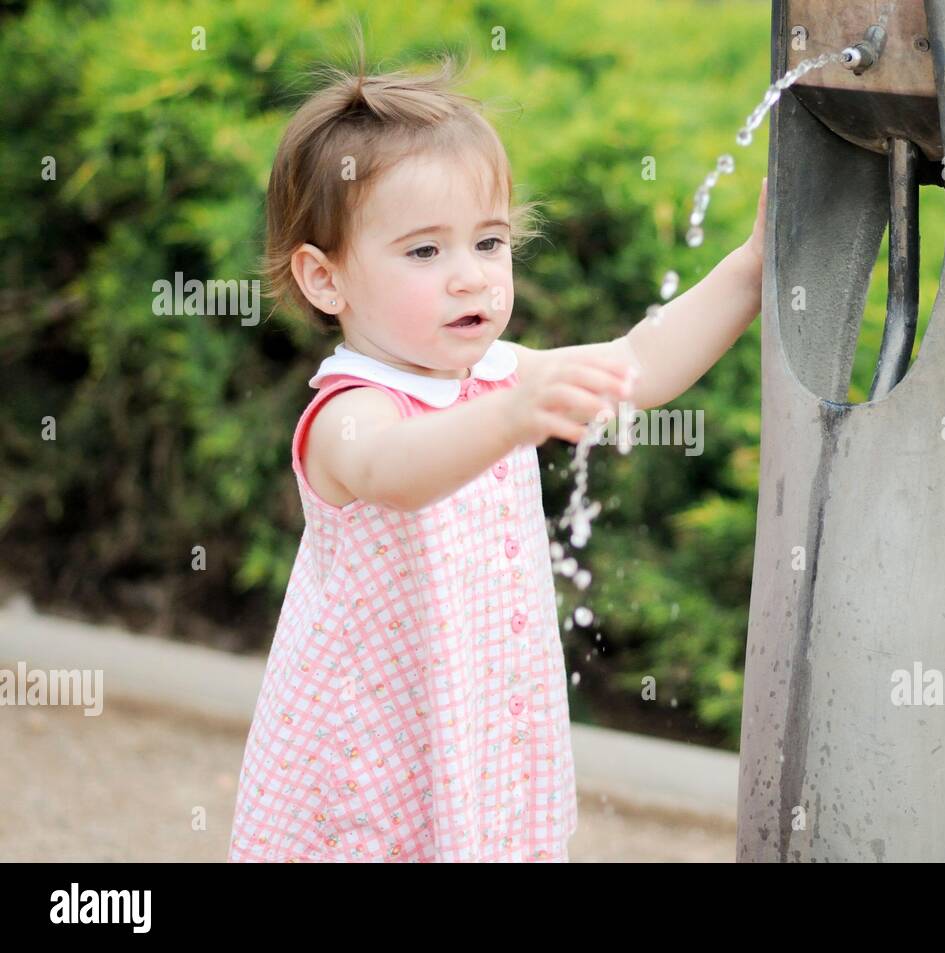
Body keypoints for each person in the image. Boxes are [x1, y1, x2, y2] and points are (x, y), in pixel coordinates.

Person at [227, 49, 765, 862]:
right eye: (424, 252)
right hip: (368, 754)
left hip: (475, 726)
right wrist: (511, 415)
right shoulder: (350, 411)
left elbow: (637, 366)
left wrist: (752, 270)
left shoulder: (497, 376)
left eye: (488, 242)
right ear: (325, 279)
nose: (470, 278)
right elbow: (397, 471)